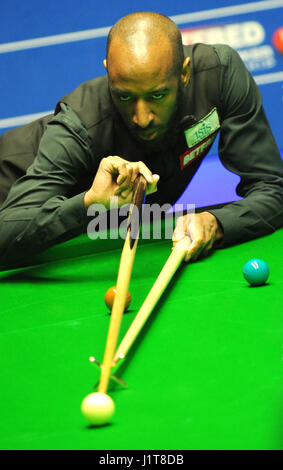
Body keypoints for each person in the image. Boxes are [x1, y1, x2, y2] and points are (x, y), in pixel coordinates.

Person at [0, 11, 282, 267]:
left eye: (157, 95)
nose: (142, 117)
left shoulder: (219, 77)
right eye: (124, 96)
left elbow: (272, 188)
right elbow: (6, 233)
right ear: (108, 73)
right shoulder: (79, 126)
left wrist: (215, 222)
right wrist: (89, 204)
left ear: (184, 73)